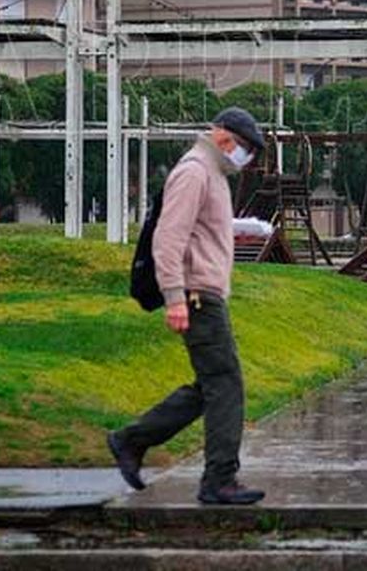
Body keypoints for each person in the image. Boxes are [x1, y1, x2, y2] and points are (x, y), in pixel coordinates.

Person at [107, 107, 267, 506]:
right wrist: (175, 298)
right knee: (226, 385)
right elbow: (169, 238)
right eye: (245, 149)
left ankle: (131, 440)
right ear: (225, 138)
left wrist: (238, 230)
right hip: (196, 296)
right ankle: (219, 479)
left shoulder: (209, 173)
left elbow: (201, 229)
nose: (244, 158)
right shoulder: (195, 171)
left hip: (205, 293)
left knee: (211, 387)